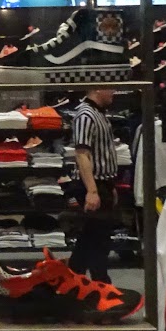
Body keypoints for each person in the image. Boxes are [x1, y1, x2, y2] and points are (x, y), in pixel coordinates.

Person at [67, 86, 123, 281]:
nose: (114, 92)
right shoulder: (86, 115)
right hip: (93, 183)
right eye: (110, 88)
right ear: (98, 89)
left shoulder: (98, 113)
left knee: (90, 238)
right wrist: (92, 191)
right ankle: (101, 283)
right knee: (98, 240)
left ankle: (73, 282)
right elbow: (82, 154)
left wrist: (110, 185)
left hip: (101, 183)